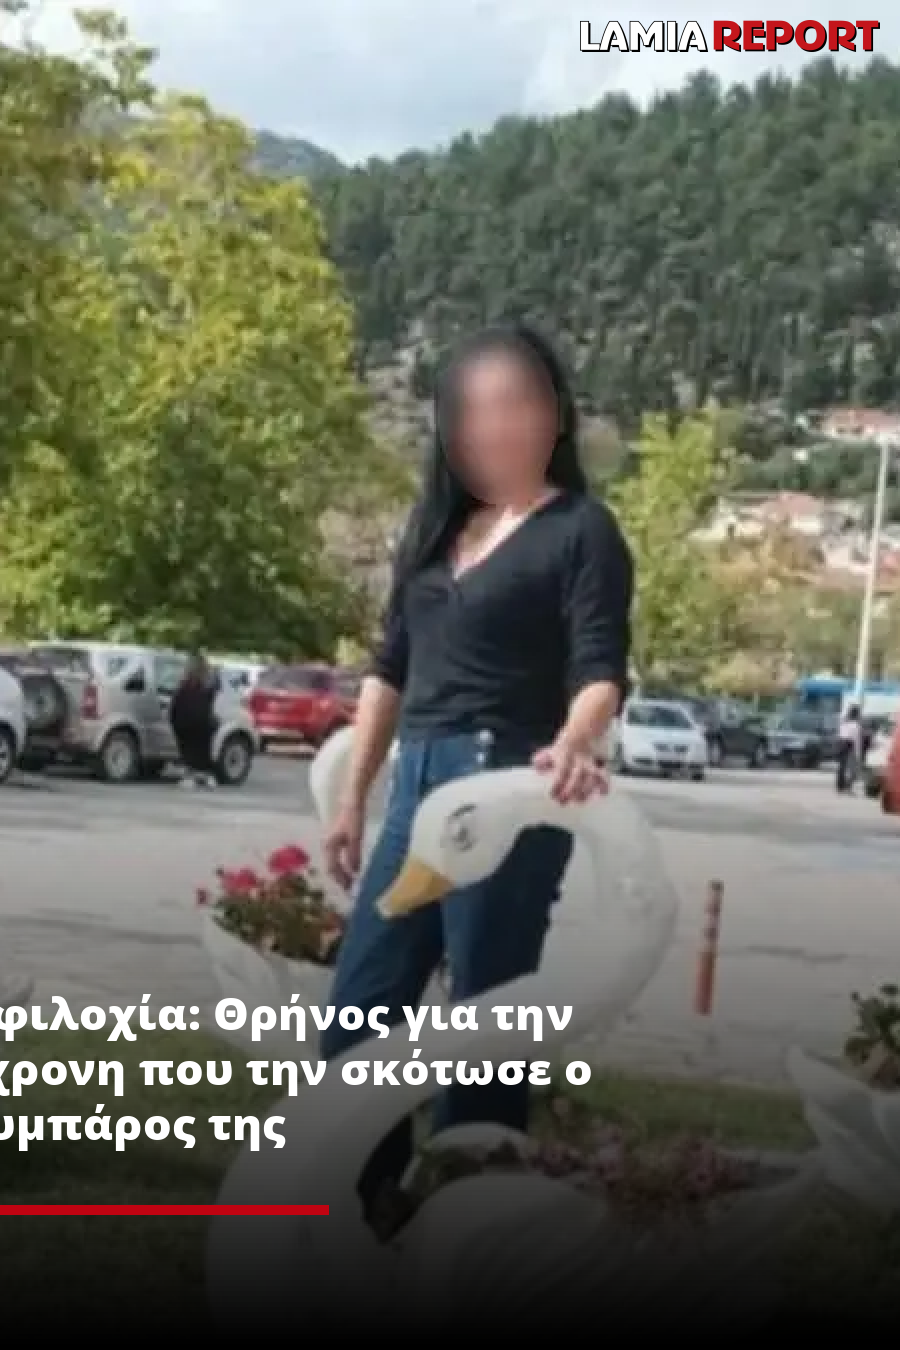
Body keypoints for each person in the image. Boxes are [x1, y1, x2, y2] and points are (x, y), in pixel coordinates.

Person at [321, 323, 634, 1238]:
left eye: (515, 402)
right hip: (417, 781)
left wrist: (574, 740)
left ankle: (470, 1229)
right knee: (360, 1009)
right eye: (476, 408)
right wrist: (354, 797)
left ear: (555, 416)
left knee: (486, 1017)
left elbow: (601, 668)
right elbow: (389, 670)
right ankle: (366, 1208)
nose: (495, 424)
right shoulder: (434, 532)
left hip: (505, 786)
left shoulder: (581, 530)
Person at [169, 652, 220, 787]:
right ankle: (206, 775)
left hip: (189, 720)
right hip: (202, 720)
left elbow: (178, 703)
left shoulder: (187, 684)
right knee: (202, 749)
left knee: (189, 749)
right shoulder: (206, 685)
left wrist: (174, 719)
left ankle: (192, 776)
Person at [836, 703, 862, 793]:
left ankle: (840, 786)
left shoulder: (844, 722)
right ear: (857, 714)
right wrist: (858, 752)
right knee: (851, 767)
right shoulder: (856, 725)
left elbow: (840, 734)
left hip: (840, 743)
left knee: (842, 766)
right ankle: (847, 786)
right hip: (849, 744)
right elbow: (856, 739)